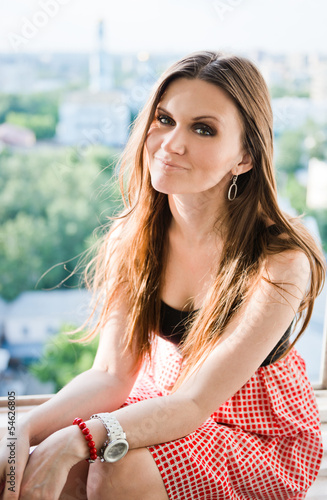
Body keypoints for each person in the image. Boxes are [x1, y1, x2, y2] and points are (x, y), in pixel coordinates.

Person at [0, 50, 326, 500]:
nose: (172, 143)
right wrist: (23, 430)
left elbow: (195, 402)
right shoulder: (131, 238)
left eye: (203, 128)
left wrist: (71, 441)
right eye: (165, 119)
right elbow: (112, 374)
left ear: (245, 157)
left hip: (254, 432)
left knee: (114, 471)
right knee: (17, 462)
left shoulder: (279, 260)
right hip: (162, 405)